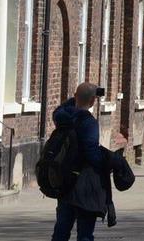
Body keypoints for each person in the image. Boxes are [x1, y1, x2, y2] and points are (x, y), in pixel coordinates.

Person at [51, 82, 107, 241]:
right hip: (84, 184)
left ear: (75, 97)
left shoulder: (61, 117)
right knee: (85, 233)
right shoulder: (89, 122)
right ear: (93, 101)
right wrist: (104, 165)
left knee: (61, 230)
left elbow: (62, 107)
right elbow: (91, 153)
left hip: (64, 181)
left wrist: (77, 97)